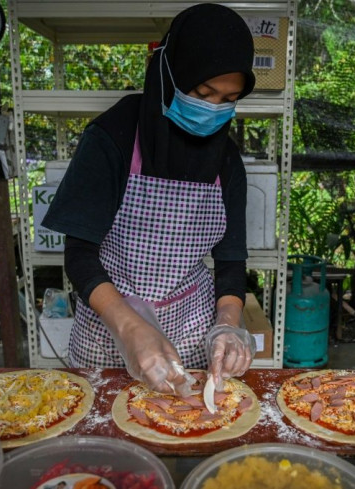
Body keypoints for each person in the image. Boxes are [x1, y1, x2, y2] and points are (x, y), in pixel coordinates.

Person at [42, 3, 256, 396]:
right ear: (170, 73)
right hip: (110, 326)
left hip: (190, 329)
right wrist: (130, 328)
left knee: (183, 425)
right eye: (202, 92)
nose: (212, 109)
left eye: (228, 99)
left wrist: (228, 322)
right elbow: (80, 254)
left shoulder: (226, 159)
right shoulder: (113, 135)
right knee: (104, 443)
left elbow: (230, 260)